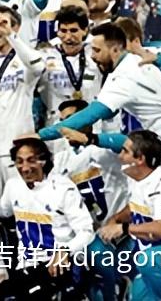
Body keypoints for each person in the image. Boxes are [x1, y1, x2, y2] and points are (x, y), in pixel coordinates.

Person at [37, 23, 161, 182]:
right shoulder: (148, 55)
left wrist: (41, 135)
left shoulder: (121, 79)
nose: (92, 56)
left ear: (115, 50)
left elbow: (89, 116)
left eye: (97, 50)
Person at [0, 137, 95, 300]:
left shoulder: (63, 189)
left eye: (31, 160)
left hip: (61, 265)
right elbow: (3, 210)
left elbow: (87, 231)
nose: (25, 168)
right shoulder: (13, 186)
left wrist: (65, 251)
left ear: (44, 161)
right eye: (19, 161)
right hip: (28, 266)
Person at [94, 131, 161, 300]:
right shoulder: (137, 178)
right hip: (157, 256)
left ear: (140, 159)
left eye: (125, 151)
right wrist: (116, 218)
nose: (120, 156)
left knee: (148, 259)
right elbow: (135, 207)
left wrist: (123, 228)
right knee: (139, 292)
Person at [51, 101, 129, 301]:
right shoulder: (60, 160)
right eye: (62, 121)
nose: (65, 126)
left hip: (121, 229)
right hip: (87, 233)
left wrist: (90, 139)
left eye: (71, 119)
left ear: (88, 120)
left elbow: (130, 144)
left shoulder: (106, 148)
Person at [0, 6, 45, 200]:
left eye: (2, 23)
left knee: (24, 206)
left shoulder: (25, 61)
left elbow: (39, 66)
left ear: (16, 27)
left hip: (18, 153)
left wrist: (11, 36)